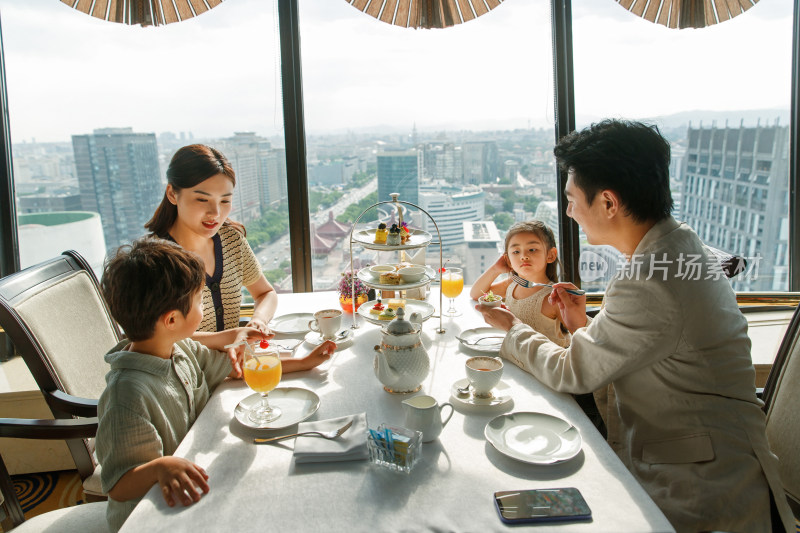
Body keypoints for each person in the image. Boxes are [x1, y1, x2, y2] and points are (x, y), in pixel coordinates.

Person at [476, 119, 794, 532]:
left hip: (702, 490)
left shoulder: (649, 279)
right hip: (713, 461)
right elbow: (646, 340)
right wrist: (581, 323)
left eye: (572, 199)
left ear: (608, 202)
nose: (569, 210)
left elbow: (571, 372)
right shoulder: (677, 243)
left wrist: (510, 328)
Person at [96, 237, 334, 531]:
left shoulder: (181, 349)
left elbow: (240, 368)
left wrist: (304, 363)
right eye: (199, 300)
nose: (203, 307)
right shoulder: (127, 395)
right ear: (171, 319)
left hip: (193, 479)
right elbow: (117, 485)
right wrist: (160, 467)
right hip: (154, 515)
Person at [145, 144, 275, 337]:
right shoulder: (153, 261)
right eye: (202, 200)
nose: (215, 213)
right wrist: (231, 338)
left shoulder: (231, 241)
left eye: (224, 201)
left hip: (235, 362)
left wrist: (258, 320)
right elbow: (161, 340)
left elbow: (265, 293)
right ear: (172, 194)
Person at [469, 220, 569, 348]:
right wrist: (496, 269)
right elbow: (476, 294)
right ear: (508, 260)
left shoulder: (554, 296)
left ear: (550, 255)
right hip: (514, 355)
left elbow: (578, 337)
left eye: (532, 249)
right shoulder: (512, 284)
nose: (523, 256)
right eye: (516, 252)